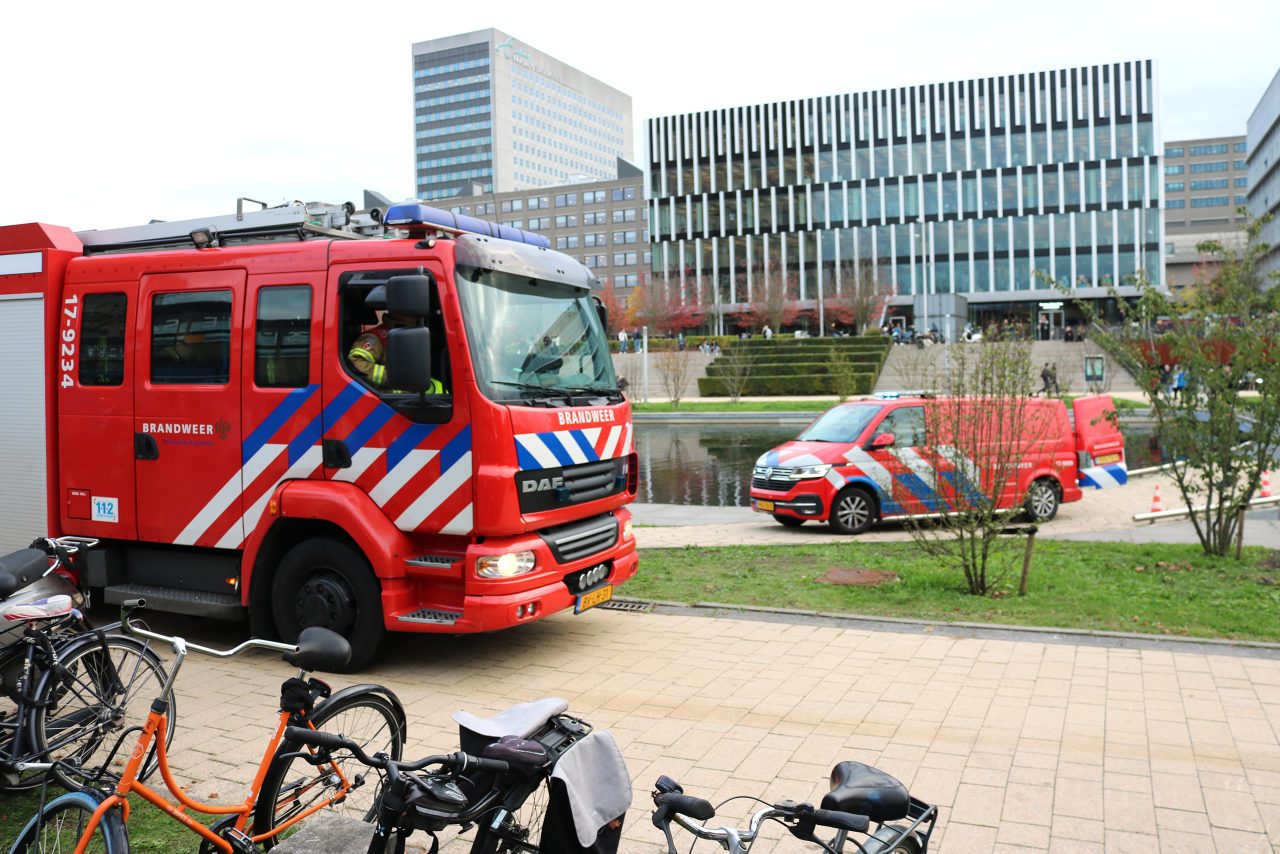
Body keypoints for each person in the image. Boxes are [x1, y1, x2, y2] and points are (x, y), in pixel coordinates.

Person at [347, 291, 443, 393]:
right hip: (385, 403)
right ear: (397, 309)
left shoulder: (415, 334)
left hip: (414, 400)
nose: (416, 312)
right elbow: (355, 364)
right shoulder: (375, 338)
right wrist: (394, 377)